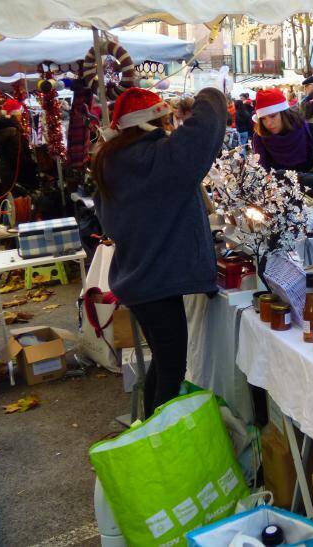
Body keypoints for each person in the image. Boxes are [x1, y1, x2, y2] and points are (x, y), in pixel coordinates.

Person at [93, 86, 226, 415]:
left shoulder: (111, 160)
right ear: (153, 121)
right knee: (171, 370)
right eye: (165, 118)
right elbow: (208, 123)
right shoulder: (159, 157)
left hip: (137, 281)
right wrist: (205, 94)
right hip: (157, 283)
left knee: (162, 364)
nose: (169, 124)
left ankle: (146, 425)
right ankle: (156, 443)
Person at [250, 88, 313, 174]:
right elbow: (262, 171)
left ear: (284, 113)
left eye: (273, 116)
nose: (268, 123)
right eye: (263, 119)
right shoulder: (259, 138)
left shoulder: (309, 130)